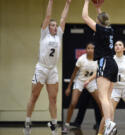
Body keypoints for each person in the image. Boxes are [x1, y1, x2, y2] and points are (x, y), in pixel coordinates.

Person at [23, 0, 71, 135]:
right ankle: (27, 121)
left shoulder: (59, 36)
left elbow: (63, 18)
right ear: (47, 27)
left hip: (53, 70)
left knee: (53, 98)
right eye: (52, 25)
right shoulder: (44, 34)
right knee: (35, 96)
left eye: (56, 26)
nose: (55, 27)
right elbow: (48, 16)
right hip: (41, 68)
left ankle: (54, 125)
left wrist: (67, 4)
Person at [82, 0, 118, 135]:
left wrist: (86, 2)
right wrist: (98, 9)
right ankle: (110, 125)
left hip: (105, 62)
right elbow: (103, 21)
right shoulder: (110, 30)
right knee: (107, 99)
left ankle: (109, 124)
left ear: (98, 21)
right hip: (113, 64)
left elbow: (85, 17)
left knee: (102, 97)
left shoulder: (101, 29)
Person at [62, 43, 102, 133]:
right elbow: (74, 73)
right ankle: (66, 125)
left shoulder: (98, 60)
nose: (90, 50)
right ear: (86, 49)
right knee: (73, 103)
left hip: (91, 82)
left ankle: (106, 125)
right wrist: (69, 87)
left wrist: (90, 80)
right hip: (80, 81)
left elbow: (97, 73)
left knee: (100, 103)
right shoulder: (81, 59)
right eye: (88, 48)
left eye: (92, 48)